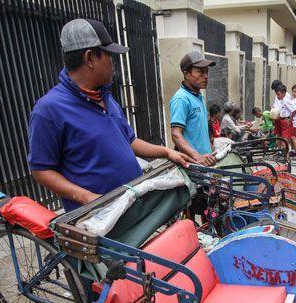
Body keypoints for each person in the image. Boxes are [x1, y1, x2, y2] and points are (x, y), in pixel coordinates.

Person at [27, 18, 192, 212]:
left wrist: (167, 152)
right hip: (100, 217)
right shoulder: (49, 109)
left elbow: (129, 141)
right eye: (108, 55)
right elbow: (41, 170)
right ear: (90, 58)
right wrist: (87, 197)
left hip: (132, 203)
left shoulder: (105, 95)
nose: (113, 62)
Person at [170, 51, 217, 166]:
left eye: (206, 72)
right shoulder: (181, 99)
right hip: (194, 166)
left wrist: (209, 147)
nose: (205, 76)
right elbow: (176, 134)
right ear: (186, 74)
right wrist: (197, 156)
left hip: (205, 163)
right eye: (200, 72)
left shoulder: (197, 96)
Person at [273, 84, 296, 160]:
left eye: (278, 94)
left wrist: (290, 118)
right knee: (283, 141)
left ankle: (287, 160)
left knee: (285, 142)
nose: (277, 96)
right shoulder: (282, 101)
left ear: (284, 93)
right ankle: (286, 158)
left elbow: (295, 109)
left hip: (286, 122)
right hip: (282, 121)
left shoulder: (286, 101)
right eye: (276, 95)